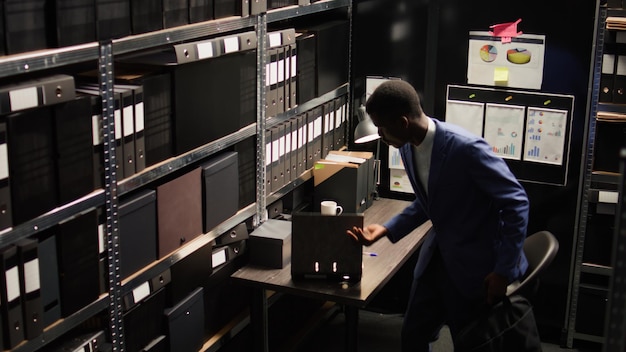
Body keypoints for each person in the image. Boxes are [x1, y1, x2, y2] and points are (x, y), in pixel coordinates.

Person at [347, 80, 530, 351]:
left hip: (476, 266)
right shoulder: (408, 147)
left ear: (403, 122)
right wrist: (386, 229)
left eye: (382, 127)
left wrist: (503, 271)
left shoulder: (466, 149)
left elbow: (517, 203)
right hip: (437, 259)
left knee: (470, 341)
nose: (381, 135)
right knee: (412, 336)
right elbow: (430, 203)